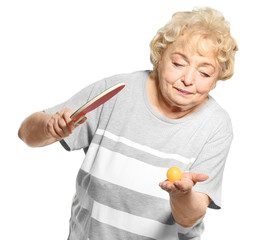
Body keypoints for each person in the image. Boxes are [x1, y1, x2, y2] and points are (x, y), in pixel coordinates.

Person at [18, 7, 238, 240]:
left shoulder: (216, 124)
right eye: (178, 63)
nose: (188, 80)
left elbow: (189, 217)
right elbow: (26, 133)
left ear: (216, 79)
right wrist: (49, 127)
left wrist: (182, 195)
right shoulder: (115, 92)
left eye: (204, 73)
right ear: (160, 55)